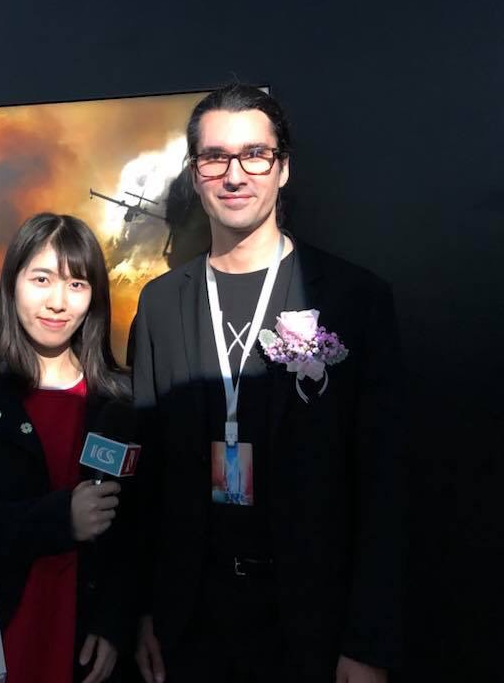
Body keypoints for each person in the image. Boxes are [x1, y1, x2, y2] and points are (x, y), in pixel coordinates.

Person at [131, 84, 406, 683]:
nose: (235, 175)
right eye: (215, 157)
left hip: (314, 626)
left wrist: (369, 641)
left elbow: (386, 483)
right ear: (196, 173)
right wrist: (144, 610)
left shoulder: (353, 298)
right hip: (190, 626)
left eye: (255, 155)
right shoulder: (160, 305)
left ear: (283, 168)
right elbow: (147, 476)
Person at [0, 213, 134, 683]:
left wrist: (113, 622)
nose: (58, 302)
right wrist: (58, 519)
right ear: (12, 284)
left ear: (95, 297)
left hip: (83, 647)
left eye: (77, 284)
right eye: (41, 279)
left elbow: (139, 529)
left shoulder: (119, 399)